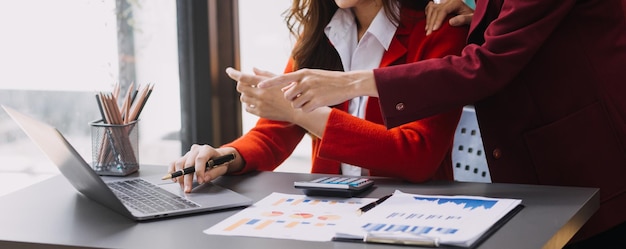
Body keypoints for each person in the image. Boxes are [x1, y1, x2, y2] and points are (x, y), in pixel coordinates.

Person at [257, 0, 626, 247]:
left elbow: (486, 66)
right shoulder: (325, 32)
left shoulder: (431, 31)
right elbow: (274, 126)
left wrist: (347, 85)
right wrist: (227, 155)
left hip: (588, 163)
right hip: (337, 222)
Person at [169, 0, 468, 193]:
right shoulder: (322, 34)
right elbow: (274, 134)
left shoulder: (438, 34)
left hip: (414, 218)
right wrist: (225, 157)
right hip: (331, 216)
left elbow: (418, 156)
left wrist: (301, 113)